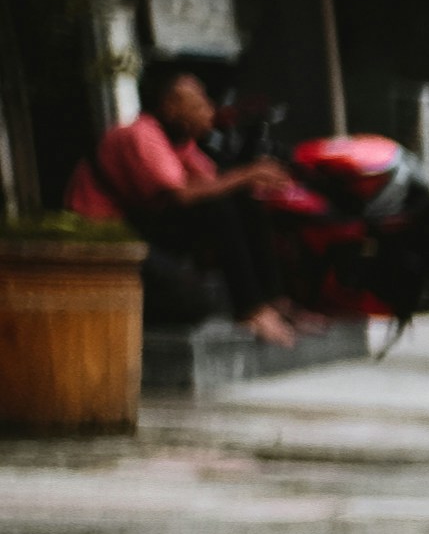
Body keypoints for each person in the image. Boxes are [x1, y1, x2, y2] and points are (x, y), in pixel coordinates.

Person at [65, 61, 303, 347]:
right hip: (107, 236)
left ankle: (274, 300)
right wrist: (247, 172)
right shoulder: (141, 134)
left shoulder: (180, 143)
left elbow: (214, 183)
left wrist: (253, 179)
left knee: (240, 201)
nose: (207, 107)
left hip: (140, 227)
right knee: (217, 208)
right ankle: (250, 309)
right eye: (197, 100)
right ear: (171, 105)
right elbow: (183, 196)